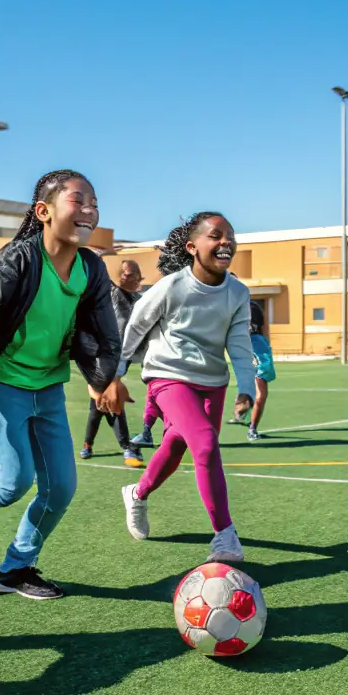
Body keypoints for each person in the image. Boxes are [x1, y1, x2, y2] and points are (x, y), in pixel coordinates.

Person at [0, 170, 127, 600]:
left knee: (62, 487)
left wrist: (107, 378)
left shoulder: (90, 268)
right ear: (44, 212)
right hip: (2, 385)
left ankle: (15, 569)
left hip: (48, 388)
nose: (89, 210)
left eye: (94, 202)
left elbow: (103, 332)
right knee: (11, 484)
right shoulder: (14, 261)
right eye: (78, 200)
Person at [118, 212, 255, 562]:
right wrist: (116, 371)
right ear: (193, 246)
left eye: (230, 237)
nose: (226, 242)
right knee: (206, 445)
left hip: (212, 381)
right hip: (168, 376)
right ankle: (225, 535)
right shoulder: (171, 286)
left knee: (177, 444)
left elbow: (239, 343)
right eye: (216, 235)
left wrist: (246, 387)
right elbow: (136, 326)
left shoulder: (238, 292)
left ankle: (138, 493)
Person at [81, 259, 145, 468]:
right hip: (101, 354)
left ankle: (88, 444)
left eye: (132, 272)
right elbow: (95, 268)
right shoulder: (111, 292)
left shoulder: (139, 299)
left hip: (122, 358)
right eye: (124, 272)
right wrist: (102, 254)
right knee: (111, 401)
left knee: (99, 404)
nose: (127, 275)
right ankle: (127, 446)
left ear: (139, 276)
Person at [231, 300, 276, 441]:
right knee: (261, 393)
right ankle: (251, 428)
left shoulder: (252, 306)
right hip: (249, 347)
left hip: (258, 346)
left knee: (256, 389)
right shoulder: (230, 306)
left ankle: (243, 412)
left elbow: (264, 327)